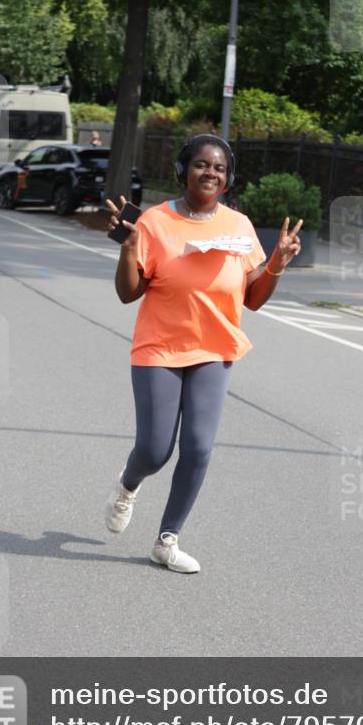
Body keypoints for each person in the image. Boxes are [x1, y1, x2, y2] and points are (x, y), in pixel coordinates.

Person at [104, 134, 302, 573]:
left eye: (219, 168)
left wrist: (277, 265)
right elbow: (127, 294)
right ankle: (127, 484)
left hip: (214, 348)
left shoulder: (239, 226)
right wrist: (128, 247)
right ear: (183, 171)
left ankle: (167, 539)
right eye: (201, 165)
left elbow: (252, 298)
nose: (210, 173)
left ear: (228, 179)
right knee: (156, 450)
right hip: (160, 348)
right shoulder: (155, 222)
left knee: (198, 448)